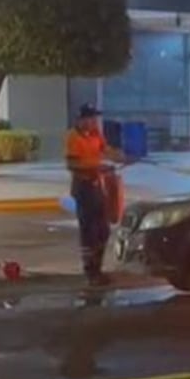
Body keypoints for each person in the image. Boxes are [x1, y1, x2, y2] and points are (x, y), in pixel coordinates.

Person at [66, 104, 123, 286]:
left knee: (103, 231)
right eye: (90, 119)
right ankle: (90, 272)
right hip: (83, 187)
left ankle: (98, 268)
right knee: (89, 232)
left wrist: (119, 156)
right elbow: (72, 165)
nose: (93, 122)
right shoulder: (73, 137)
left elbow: (105, 149)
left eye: (94, 119)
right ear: (81, 120)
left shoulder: (96, 133)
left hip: (97, 185)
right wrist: (96, 167)